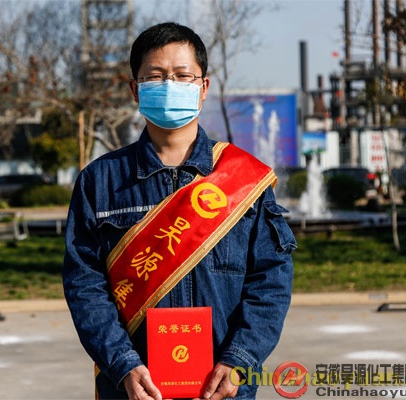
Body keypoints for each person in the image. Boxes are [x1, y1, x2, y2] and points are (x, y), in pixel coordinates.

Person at [63, 22, 296, 400]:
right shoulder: (99, 181)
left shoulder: (244, 178)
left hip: (223, 386)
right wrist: (123, 364)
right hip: (132, 387)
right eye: (155, 76)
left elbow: (271, 281)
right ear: (134, 89)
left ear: (203, 87)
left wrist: (240, 358)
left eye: (183, 76)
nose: (170, 85)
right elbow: (84, 285)